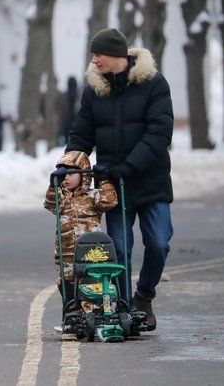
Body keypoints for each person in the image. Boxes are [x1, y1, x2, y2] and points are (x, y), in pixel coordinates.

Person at [63, 27, 173, 331]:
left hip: (150, 181)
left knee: (159, 243)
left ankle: (144, 296)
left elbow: (159, 132)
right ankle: (122, 309)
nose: (94, 60)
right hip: (113, 184)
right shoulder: (94, 90)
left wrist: (130, 165)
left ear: (116, 55)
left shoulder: (154, 84)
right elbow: (81, 135)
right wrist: (71, 165)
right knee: (119, 249)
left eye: (99, 54)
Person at [44, 150, 117, 314]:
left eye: (70, 174)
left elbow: (109, 202)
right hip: (67, 253)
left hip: (92, 253)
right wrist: (52, 185)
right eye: (63, 175)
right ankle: (71, 316)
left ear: (83, 175)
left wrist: (103, 179)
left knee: (91, 284)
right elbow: (50, 204)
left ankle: (95, 313)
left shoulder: (92, 196)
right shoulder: (62, 198)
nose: (66, 179)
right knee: (68, 284)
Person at [56, 76, 79, 147]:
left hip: (66, 119)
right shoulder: (79, 94)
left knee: (65, 137)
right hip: (75, 119)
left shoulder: (64, 95)